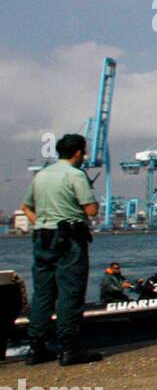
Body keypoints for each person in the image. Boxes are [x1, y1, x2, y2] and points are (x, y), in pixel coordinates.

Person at [20, 133, 101, 365]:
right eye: (84, 152)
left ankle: (35, 348)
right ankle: (70, 349)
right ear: (78, 153)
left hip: (42, 238)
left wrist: (43, 224)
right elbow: (91, 210)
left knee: (43, 293)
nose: (84, 156)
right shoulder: (76, 175)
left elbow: (25, 207)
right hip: (70, 238)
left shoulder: (41, 175)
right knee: (70, 292)